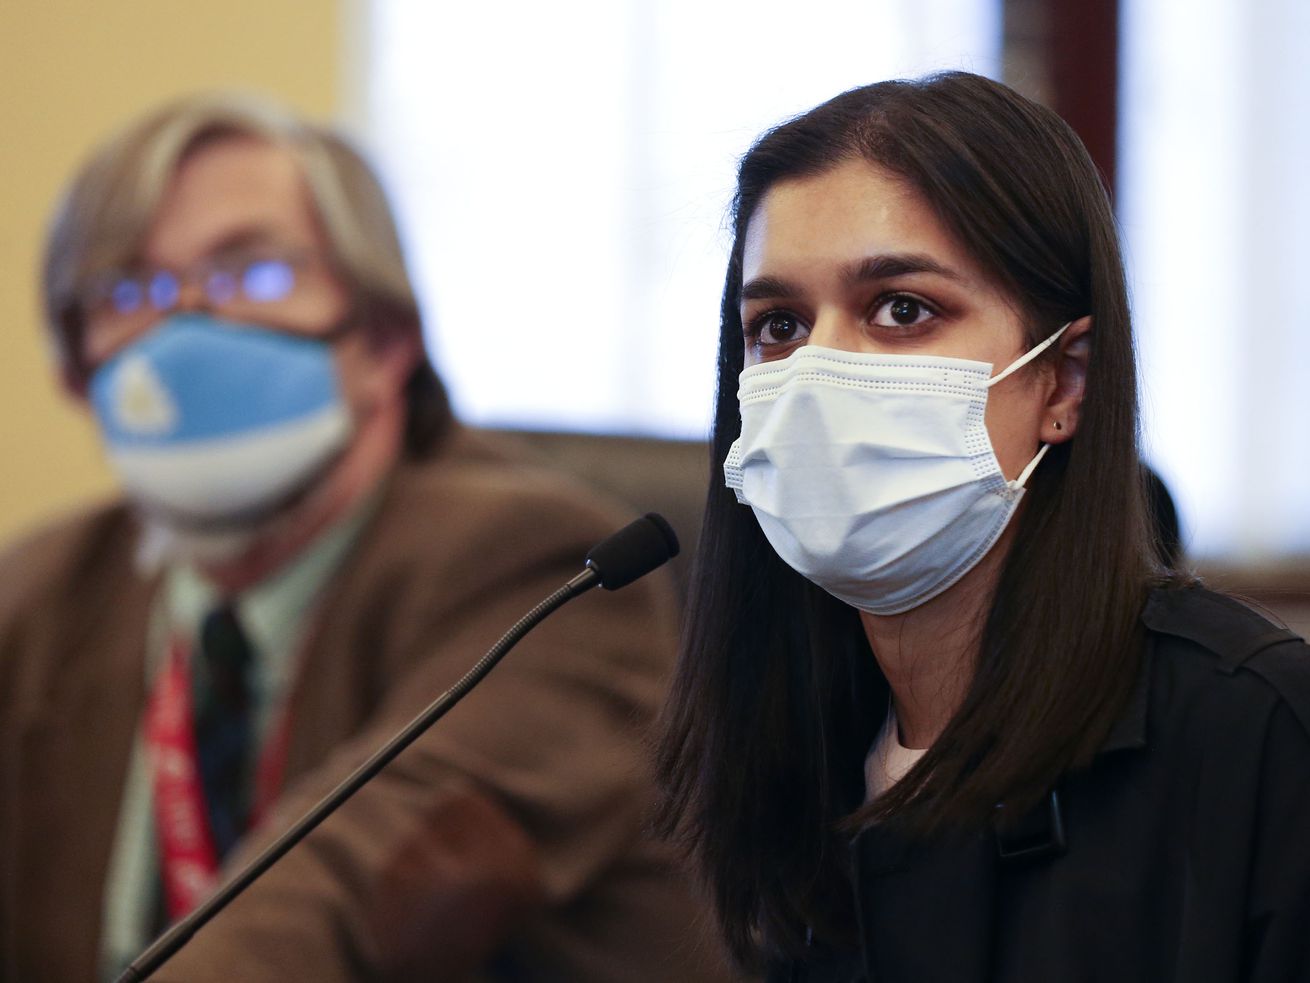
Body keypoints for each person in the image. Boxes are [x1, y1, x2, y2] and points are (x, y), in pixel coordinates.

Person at [0, 94, 730, 982]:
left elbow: (354, 894)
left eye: (253, 274)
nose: (184, 327)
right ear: (78, 369)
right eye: (130, 290)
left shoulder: (541, 567)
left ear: (385, 339)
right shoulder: (37, 592)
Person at [655, 72, 1310, 982]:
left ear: (1065, 382)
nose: (817, 376)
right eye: (779, 325)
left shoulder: (1260, 735)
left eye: (902, 309)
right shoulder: (793, 749)